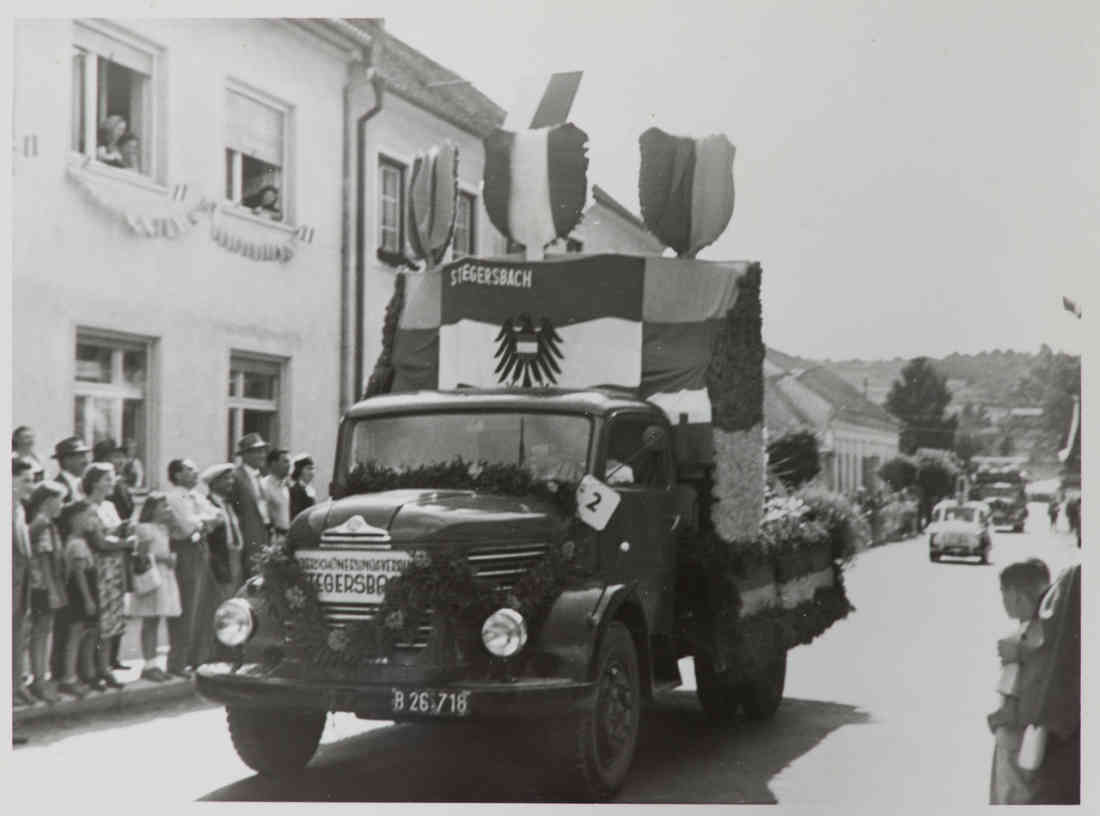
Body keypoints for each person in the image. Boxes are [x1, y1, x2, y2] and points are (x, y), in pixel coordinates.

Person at [988, 558, 1052, 804]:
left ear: (1016, 595)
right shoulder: (1048, 634)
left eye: (1003, 593)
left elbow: (1014, 698)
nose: (1003, 600)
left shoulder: (1019, 641)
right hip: (1032, 743)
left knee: (1010, 799)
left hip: (1016, 742)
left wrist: (997, 719)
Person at [164, 458, 224, 676]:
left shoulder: (195, 496)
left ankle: (195, 658)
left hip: (200, 548)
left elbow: (218, 515)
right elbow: (188, 527)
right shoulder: (174, 497)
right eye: (189, 469)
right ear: (177, 474)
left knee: (201, 604)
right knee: (186, 605)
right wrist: (204, 522)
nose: (195, 473)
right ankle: (178, 662)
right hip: (184, 551)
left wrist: (203, 522)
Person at [83, 463, 133, 688]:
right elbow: (99, 541)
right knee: (99, 622)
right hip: (98, 568)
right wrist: (125, 543)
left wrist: (124, 531)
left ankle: (105, 667)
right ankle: (91, 670)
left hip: (115, 568)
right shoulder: (87, 507)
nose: (111, 483)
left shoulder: (110, 506)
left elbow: (113, 534)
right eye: (106, 479)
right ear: (94, 482)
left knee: (112, 620)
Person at [26, 481, 69, 703]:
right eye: (59, 500)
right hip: (42, 584)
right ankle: (39, 680)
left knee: (42, 633)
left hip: (45, 583)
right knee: (40, 633)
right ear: (47, 501)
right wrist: (52, 591)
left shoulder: (47, 523)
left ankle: (39, 678)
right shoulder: (42, 523)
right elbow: (43, 559)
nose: (62, 504)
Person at [131, 493, 182, 682]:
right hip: (152, 576)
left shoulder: (163, 528)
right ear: (152, 509)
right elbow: (141, 555)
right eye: (163, 507)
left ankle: (154, 664)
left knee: (156, 619)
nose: (167, 510)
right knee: (150, 621)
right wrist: (163, 558)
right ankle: (149, 664)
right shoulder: (144, 528)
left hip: (164, 576)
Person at [56, 501, 99, 699]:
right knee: (74, 635)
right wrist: (88, 599)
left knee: (83, 633)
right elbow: (79, 574)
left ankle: (81, 674)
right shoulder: (77, 543)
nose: (94, 521)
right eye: (90, 516)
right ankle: (69, 678)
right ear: (76, 519)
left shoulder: (79, 541)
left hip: (82, 592)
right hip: (79, 593)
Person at [12, 458, 37, 707]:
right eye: (25, 481)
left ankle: (13, 690)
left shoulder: (19, 508)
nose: (31, 486)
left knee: (16, 638)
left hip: (19, 584)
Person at [203, 464, 246, 597]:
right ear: (214, 482)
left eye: (231, 478)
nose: (231, 482)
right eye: (226, 479)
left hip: (234, 556)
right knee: (220, 596)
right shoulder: (207, 503)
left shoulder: (228, 504)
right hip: (219, 558)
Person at [233, 433, 272, 577]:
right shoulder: (236, 476)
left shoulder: (260, 477)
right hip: (247, 535)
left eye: (263, 451)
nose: (262, 455)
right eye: (257, 452)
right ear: (245, 455)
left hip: (262, 534)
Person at [262, 448, 292, 545]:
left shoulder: (285, 487)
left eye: (289, 462)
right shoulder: (264, 486)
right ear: (274, 464)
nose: (289, 465)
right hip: (273, 538)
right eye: (285, 462)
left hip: (286, 537)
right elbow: (264, 515)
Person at [52, 436, 91, 502]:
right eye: (81, 456)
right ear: (67, 460)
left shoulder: (85, 484)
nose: (86, 461)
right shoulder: (56, 488)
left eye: (85, 456)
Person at [289, 454, 317, 519]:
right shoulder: (295, 490)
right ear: (299, 470)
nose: (312, 472)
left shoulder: (310, 489)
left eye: (313, 469)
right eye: (308, 468)